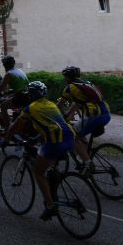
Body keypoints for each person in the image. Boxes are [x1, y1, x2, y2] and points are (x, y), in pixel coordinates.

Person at [6, 81, 76, 221]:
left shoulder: (30, 108)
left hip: (55, 142)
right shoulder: (51, 104)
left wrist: (6, 139)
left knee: (38, 172)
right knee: (50, 168)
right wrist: (37, 138)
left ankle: (50, 206)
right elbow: (52, 124)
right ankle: (54, 185)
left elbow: (15, 126)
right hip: (70, 138)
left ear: (31, 95)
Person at [58, 66, 109, 177]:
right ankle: (84, 155)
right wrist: (68, 115)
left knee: (72, 135)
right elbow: (77, 103)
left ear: (68, 77)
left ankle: (87, 163)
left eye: (65, 77)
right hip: (106, 114)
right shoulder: (87, 84)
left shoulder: (70, 88)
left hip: (94, 116)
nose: (64, 79)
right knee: (78, 131)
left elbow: (59, 105)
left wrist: (54, 116)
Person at [0, 55, 30, 134]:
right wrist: (8, 93)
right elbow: (20, 86)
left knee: (3, 106)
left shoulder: (9, 74)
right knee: (8, 100)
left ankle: (7, 129)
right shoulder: (19, 71)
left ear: (5, 65)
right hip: (28, 95)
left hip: (20, 97)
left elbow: (0, 88)